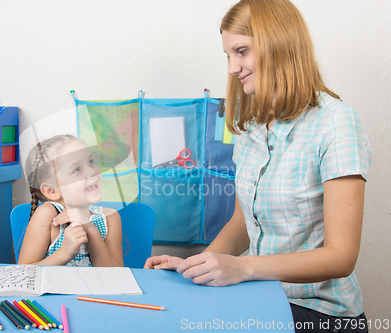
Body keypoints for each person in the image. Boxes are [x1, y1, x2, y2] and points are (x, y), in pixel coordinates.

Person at [144, 0, 371, 331]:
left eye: (241, 51)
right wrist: (198, 265)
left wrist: (243, 268)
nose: (232, 68)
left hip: (321, 313)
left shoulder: (337, 123)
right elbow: (241, 222)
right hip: (262, 296)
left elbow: (341, 256)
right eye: (228, 56)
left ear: (278, 44)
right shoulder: (250, 129)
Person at [18, 134, 124, 267]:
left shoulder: (110, 218)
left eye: (90, 162)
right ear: (52, 191)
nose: (91, 171)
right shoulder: (48, 215)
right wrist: (64, 253)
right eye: (76, 170)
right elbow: (24, 271)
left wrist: (91, 230)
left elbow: (117, 276)